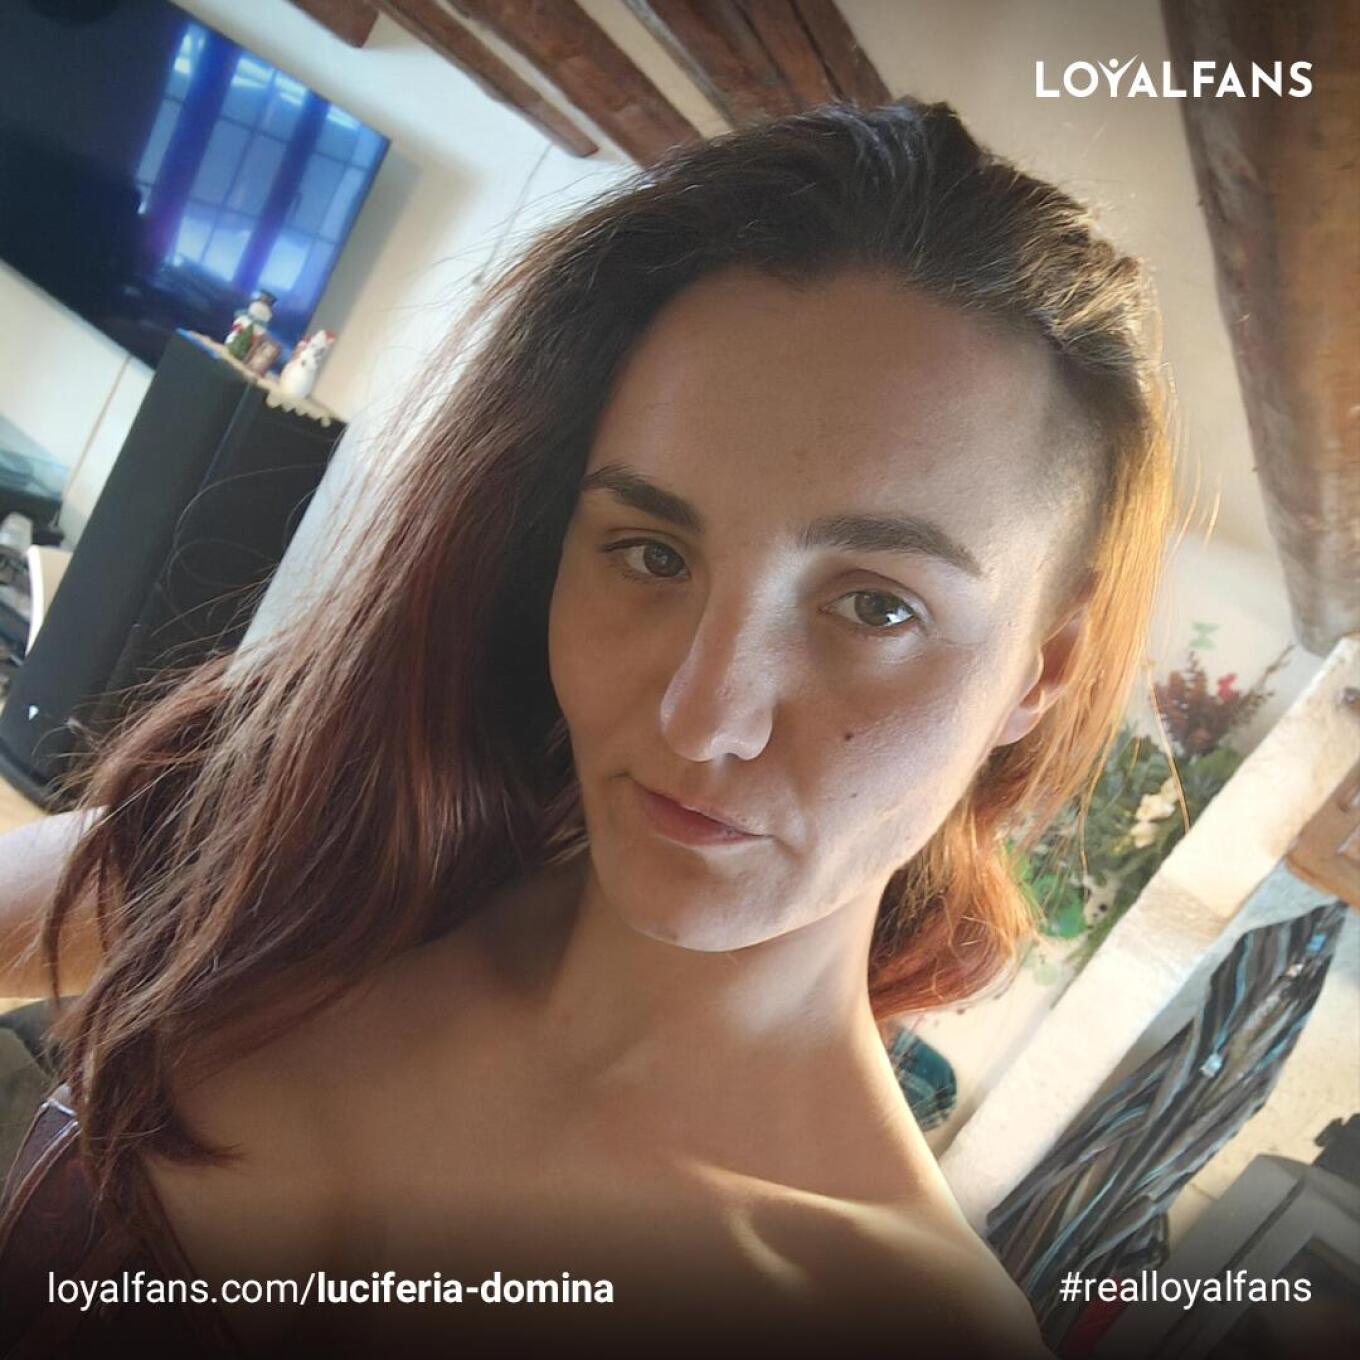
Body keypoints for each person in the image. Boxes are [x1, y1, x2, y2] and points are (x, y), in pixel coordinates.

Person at [0, 98, 1173, 1357]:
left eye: (877, 605)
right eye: (651, 552)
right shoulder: (301, 865)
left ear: (1039, 671)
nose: (702, 715)